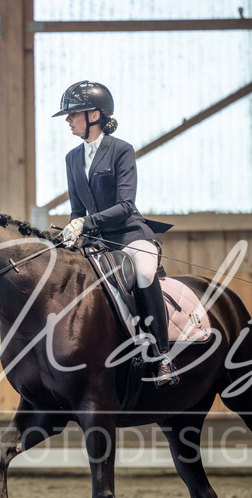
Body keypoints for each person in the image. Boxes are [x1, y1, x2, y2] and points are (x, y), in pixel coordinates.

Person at [53, 81, 177, 386]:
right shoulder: (72, 158)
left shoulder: (121, 150)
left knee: (145, 274)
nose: (68, 120)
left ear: (94, 114)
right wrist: (72, 232)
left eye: (73, 114)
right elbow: (76, 210)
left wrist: (86, 224)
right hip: (95, 244)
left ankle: (162, 356)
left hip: (130, 236)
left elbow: (125, 205)